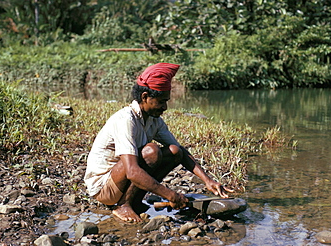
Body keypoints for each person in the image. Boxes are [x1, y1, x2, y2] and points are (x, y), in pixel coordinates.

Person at [84, 63, 233, 222]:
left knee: (175, 151)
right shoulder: (126, 120)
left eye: (166, 101)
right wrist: (171, 195)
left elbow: (180, 153)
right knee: (152, 151)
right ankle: (123, 205)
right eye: (161, 101)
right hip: (104, 187)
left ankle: (134, 201)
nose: (165, 107)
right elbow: (132, 171)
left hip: (120, 181)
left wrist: (208, 180)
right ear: (145, 97)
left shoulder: (154, 120)